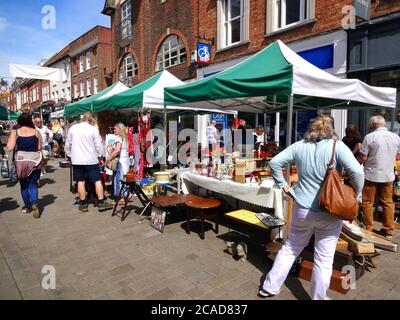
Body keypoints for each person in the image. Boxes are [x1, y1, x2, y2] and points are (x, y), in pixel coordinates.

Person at [259, 115, 364, 300]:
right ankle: (318, 298)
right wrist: (355, 194)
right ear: (331, 129)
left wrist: (284, 186)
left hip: (302, 207)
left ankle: (269, 287)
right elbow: (356, 171)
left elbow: (274, 162)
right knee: (324, 259)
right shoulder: (337, 146)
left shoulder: (299, 145)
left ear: (311, 128)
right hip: (330, 210)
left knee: (291, 248)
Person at [358, 115, 400, 239]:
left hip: (371, 174)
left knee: (367, 202)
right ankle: (388, 229)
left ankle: (369, 227)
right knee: (387, 202)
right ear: (384, 124)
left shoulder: (369, 137)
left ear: (372, 125)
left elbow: (363, 157)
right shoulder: (396, 137)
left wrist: (355, 165)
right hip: (388, 174)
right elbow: (397, 156)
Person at [65, 112, 113, 213]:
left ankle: (83, 204)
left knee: (80, 181)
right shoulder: (93, 129)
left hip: (77, 160)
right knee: (97, 180)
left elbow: (68, 144)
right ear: (92, 120)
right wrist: (101, 156)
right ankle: (101, 202)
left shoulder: (73, 128)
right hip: (91, 159)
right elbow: (99, 146)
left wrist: (69, 156)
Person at [6, 113, 43, 218]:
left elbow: (9, 148)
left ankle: (27, 207)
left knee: (24, 185)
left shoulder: (15, 132)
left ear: (19, 121)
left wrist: (11, 139)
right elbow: (39, 147)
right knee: (33, 184)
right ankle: (35, 203)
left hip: (21, 162)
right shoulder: (36, 132)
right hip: (35, 161)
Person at [106, 123, 130, 202]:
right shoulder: (126, 138)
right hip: (126, 160)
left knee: (118, 179)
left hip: (120, 161)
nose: (113, 130)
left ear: (119, 129)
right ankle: (125, 195)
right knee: (124, 179)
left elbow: (117, 150)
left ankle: (120, 197)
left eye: (115, 129)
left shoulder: (119, 138)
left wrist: (109, 159)